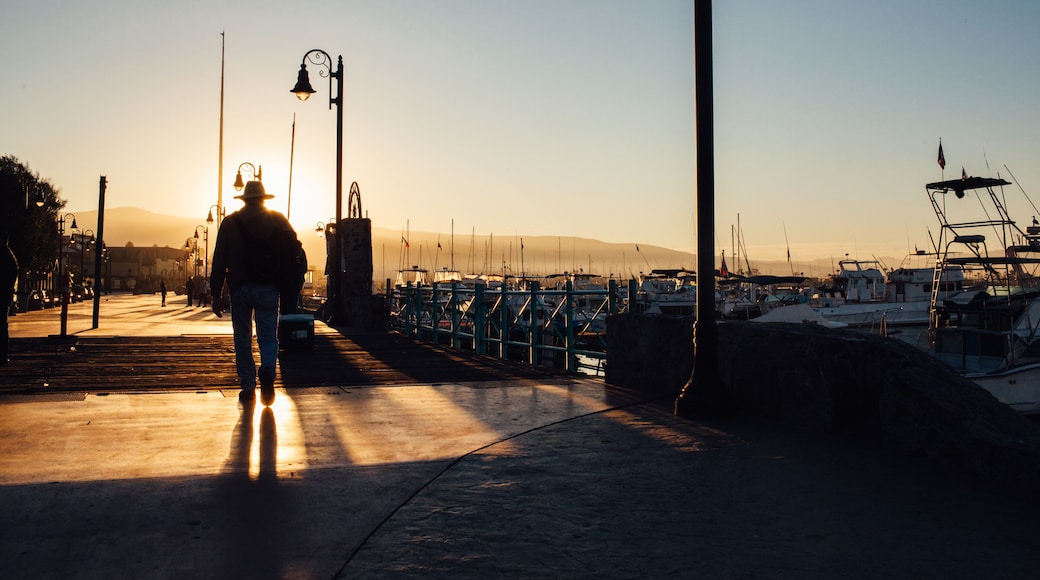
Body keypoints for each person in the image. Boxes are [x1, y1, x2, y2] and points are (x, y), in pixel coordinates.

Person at [210, 180, 302, 405]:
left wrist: (215, 293)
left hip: (240, 288)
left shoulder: (230, 223)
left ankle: (248, 386)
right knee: (268, 336)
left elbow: (219, 259)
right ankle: (268, 369)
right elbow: (296, 250)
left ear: (244, 199)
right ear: (263, 198)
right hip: (268, 287)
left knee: (242, 338)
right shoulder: (278, 220)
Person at [0, 231, 17, 364]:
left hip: (3, 295)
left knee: (1, 325)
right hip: (5, 295)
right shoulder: (9, 256)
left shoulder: (5, 256)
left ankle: (3, 354)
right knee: (2, 324)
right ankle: (3, 354)